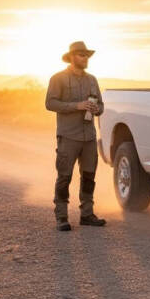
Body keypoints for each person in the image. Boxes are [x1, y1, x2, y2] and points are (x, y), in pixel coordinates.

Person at [45, 41, 107, 231]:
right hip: (68, 136)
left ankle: (87, 214)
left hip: (89, 137)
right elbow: (50, 103)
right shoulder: (58, 79)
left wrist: (97, 109)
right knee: (65, 177)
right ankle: (61, 217)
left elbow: (102, 107)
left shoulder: (92, 80)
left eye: (87, 55)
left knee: (89, 176)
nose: (85, 58)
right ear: (72, 57)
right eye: (81, 55)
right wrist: (76, 106)